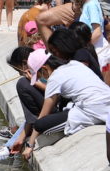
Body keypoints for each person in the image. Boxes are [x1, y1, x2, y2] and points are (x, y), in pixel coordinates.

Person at [10, 26, 110, 160]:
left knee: (40, 125)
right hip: (103, 101)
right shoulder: (75, 64)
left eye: (39, 74)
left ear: (44, 69)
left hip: (92, 110)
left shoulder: (55, 77)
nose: (41, 78)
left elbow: (43, 116)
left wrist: (30, 144)